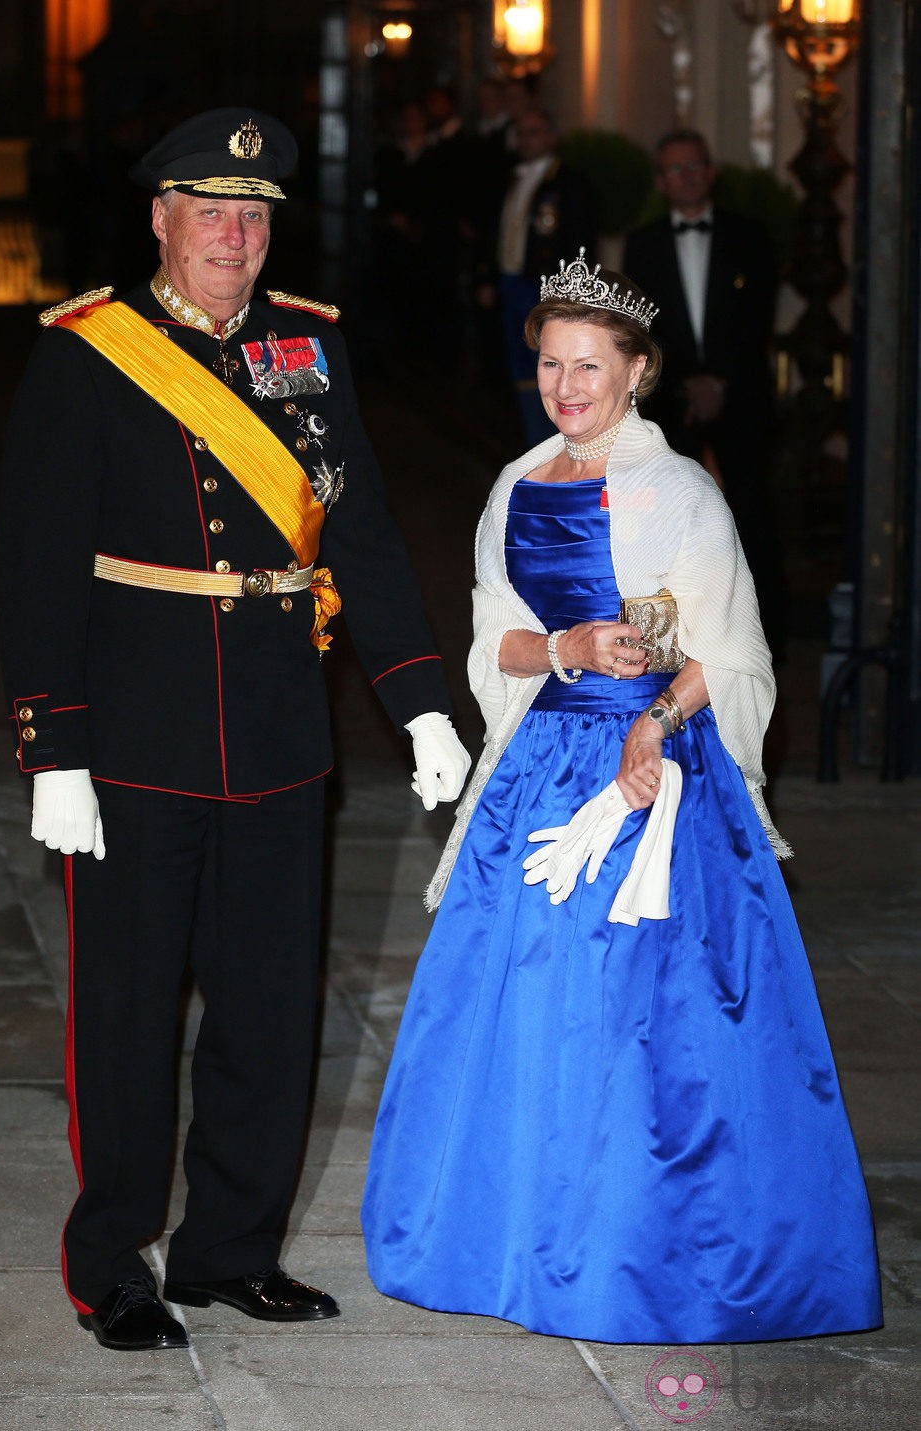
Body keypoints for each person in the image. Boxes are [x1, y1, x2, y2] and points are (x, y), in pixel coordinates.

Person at [0, 107, 470, 1353]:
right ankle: (112, 1264)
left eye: (253, 217)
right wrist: (55, 748)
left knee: (268, 1013)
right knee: (128, 1019)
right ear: (160, 220)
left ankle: (229, 1252)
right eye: (210, 213)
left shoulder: (307, 350)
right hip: (135, 743)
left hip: (275, 734)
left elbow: (356, 536)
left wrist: (418, 697)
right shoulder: (86, 349)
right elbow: (37, 563)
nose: (234, 237)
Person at [361, 252, 882, 1344]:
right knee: (520, 1002)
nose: (565, 387)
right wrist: (562, 644)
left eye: (587, 366)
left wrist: (651, 721)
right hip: (540, 768)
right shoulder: (513, 484)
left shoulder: (679, 492)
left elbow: (731, 653)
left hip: (654, 773)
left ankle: (634, 1251)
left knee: (643, 1013)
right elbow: (487, 642)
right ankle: (510, 1239)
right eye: (549, 364)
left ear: (635, 371)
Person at [623, 128, 787, 662]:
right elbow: (645, 328)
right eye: (674, 169)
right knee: (671, 522)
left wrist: (720, 381)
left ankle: (764, 643)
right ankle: (677, 648)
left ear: (710, 172)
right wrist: (688, 383)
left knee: (751, 513)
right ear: (660, 181)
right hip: (673, 400)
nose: (686, 177)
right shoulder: (642, 243)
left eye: (694, 166)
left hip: (740, 394)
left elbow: (756, 317)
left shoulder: (749, 235)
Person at [476, 108, 596, 448]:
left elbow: (580, 245)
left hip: (546, 290)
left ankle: (561, 443)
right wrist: (487, 277)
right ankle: (533, 442)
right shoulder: (508, 180)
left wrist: (567, 296)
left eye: (535, 132)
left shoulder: (570, 184)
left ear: (552, 137)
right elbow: (493, 233)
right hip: (511, 284)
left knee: (553, 367)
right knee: (520, 367)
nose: (527, 140)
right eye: (522, 133)